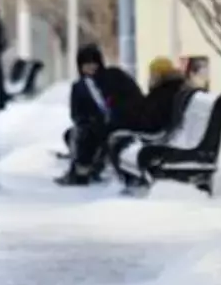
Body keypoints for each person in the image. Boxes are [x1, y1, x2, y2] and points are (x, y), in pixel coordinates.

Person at [56, 45, 142, 186]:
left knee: (87, 135)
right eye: (86, 63)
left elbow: (132, 98)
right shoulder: (79, 87)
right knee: (74, 133)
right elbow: (76, 113)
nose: (90, 67)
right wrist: (88, 120)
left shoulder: (114, 76)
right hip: (93, 125)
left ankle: (82, 170)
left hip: (119, 122)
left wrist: (117, 114)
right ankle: (84, 167)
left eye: (93, 62)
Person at [107, 56, 193, 194]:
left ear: (159, 75)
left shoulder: (164, 91)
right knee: (118, 134)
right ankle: (134, 181)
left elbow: (152, 119)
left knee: (116, 139)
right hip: (165, 131)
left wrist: (132, 122)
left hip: (160, 134)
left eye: (152, 74)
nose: (150, 78)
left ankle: (133, 183)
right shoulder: (171, 88)